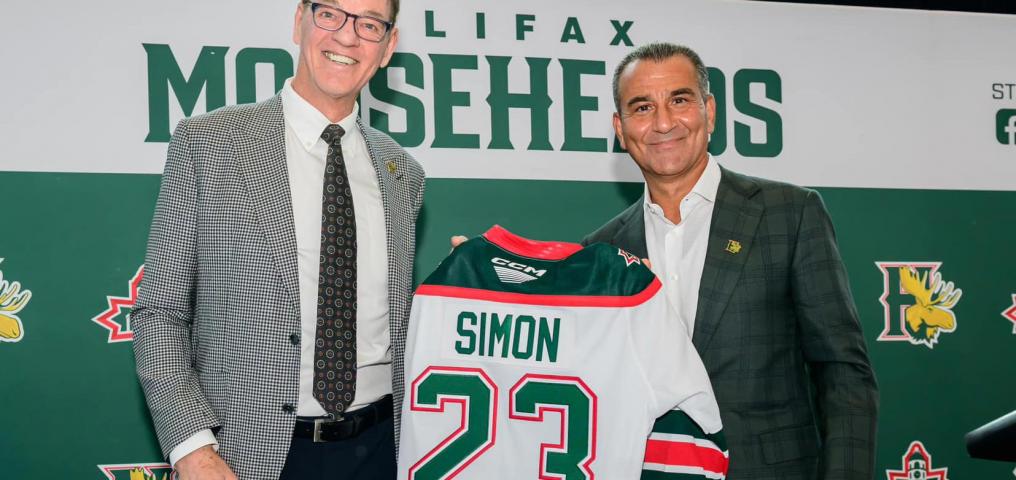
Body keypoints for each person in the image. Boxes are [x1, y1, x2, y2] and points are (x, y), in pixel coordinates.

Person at [132, 0, 424, 479]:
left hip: (381, 451)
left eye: (370, 24)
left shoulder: (403, 172)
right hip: (245, 454)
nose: (348, 37)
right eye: (331, 14)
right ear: (299, 21)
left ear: (388, 46)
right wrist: (192, 448)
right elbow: (160, 312)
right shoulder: (210, 142)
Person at [581, 42, 878, 479]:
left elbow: (844, 375)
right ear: (620, 129)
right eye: (642, 107)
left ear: (710, 111)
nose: (663, 123)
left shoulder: (790, 214)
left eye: (679, 100)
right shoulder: (599, 251)